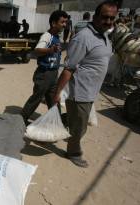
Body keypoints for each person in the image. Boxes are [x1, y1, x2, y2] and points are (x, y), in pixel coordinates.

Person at [53, 1, 118, 168]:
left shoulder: (104, 35)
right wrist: (57, 92)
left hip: (91, 91)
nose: (109, 21)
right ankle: (73, 152)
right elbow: (69, 68)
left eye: (112, 18)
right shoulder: (83, 38)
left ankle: (61, 126)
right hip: (79, 92)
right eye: (105, 17)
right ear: (95, 16)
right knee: (81, 127)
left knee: (78, 122)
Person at [21, 10, 68, 124]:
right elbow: (37, 51)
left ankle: (57, 122)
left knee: (53, 100)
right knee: (36, 98)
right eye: (62, 22)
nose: (65, 25)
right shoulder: (47, 36)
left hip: (53, 74)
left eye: (65, 22)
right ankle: (21, 119)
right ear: (53, 23)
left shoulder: (57, 37)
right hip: (44, 74)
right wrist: (50, 50)